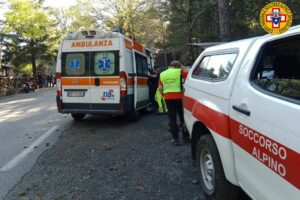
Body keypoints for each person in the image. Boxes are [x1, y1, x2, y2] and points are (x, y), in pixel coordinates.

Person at [158, 60, 189, 145]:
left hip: (168, 98)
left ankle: (175, 139)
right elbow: (189, 76)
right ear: (178, 66)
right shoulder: (179, 71)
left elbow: (160, 88)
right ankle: (186, 137)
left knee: (172, 118)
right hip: (179, 97)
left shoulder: (162, 74)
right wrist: (182, 66)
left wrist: (164, 95)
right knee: (182, 116)